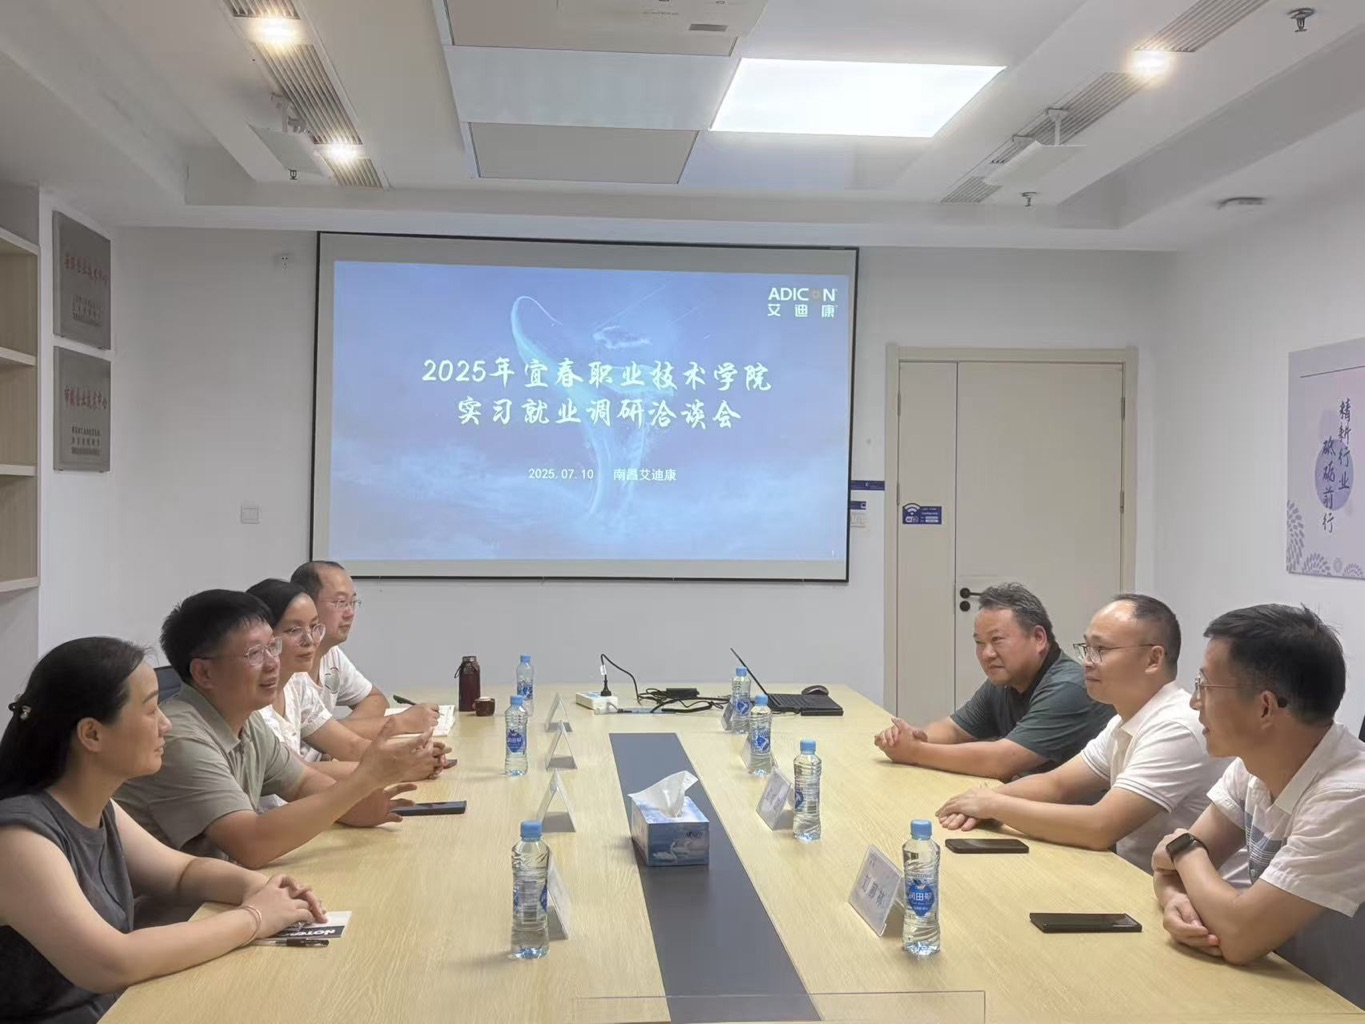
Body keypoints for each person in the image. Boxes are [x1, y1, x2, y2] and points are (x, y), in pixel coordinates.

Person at [0, 637, 325, 1023]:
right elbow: (110, 962)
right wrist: (254, 918)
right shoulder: (18, 839)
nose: (165, 724)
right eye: (151, 710)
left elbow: (181, 872)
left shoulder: (99, 807)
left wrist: (253, 887)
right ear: (92, 735)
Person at [115, 590, 435, 873]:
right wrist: (364, 781)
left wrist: (363, 800)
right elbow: (252, 844)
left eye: (272, 647)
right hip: (178, 911)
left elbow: (304, 783)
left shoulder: (246, 719)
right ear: (204, 672)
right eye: (255, 654)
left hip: (224, 890)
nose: (273, 663)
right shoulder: (180, 736)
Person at [936, 595, 1238, 874]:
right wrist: (977, 801)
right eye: (1087, 648)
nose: (1087, 661)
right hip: (1142, 881)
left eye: (1101, 650)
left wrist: (993, 805)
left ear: (1153, 659)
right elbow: (1057, 785)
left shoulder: (1177, 726)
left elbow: (1100, 826)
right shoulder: (1123, 721)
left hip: (1192, 900)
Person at [1152, 605, 1365, 965]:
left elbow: (1239, 936)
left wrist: (1184, 848)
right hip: (1278, 980)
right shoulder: (1253, 765)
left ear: (1265, 707)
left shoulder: (1350, 798)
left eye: (1205, 686)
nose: (1194, 701)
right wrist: (1176, 900)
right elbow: (1166, 866)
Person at [875, 583, 1111, 780]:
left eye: (997, 640)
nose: (987, 654)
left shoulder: (1068, 687)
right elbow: (954, 730)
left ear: (1039, 638)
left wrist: (916, 752)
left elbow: (1001, 761)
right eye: (979, 643)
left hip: (1081, 812)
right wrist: (911, 738)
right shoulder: (1005, 682)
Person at [244, 578, 448, 785]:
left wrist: (407, 753)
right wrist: (398, 769)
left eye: (314, 627)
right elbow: (297, 774)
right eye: (294, 631)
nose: (310, 640)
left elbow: (350, 745)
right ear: (265, 638)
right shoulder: (250, 705)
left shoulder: (295, 683)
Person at [290, 561, 438, 742]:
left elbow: (374, 699)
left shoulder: (331, 653)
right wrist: (400, 722)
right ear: (306, 605)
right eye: (340, 602)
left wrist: (339, 733)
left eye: (352, 602)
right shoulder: (288, 669)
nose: (350, 613)